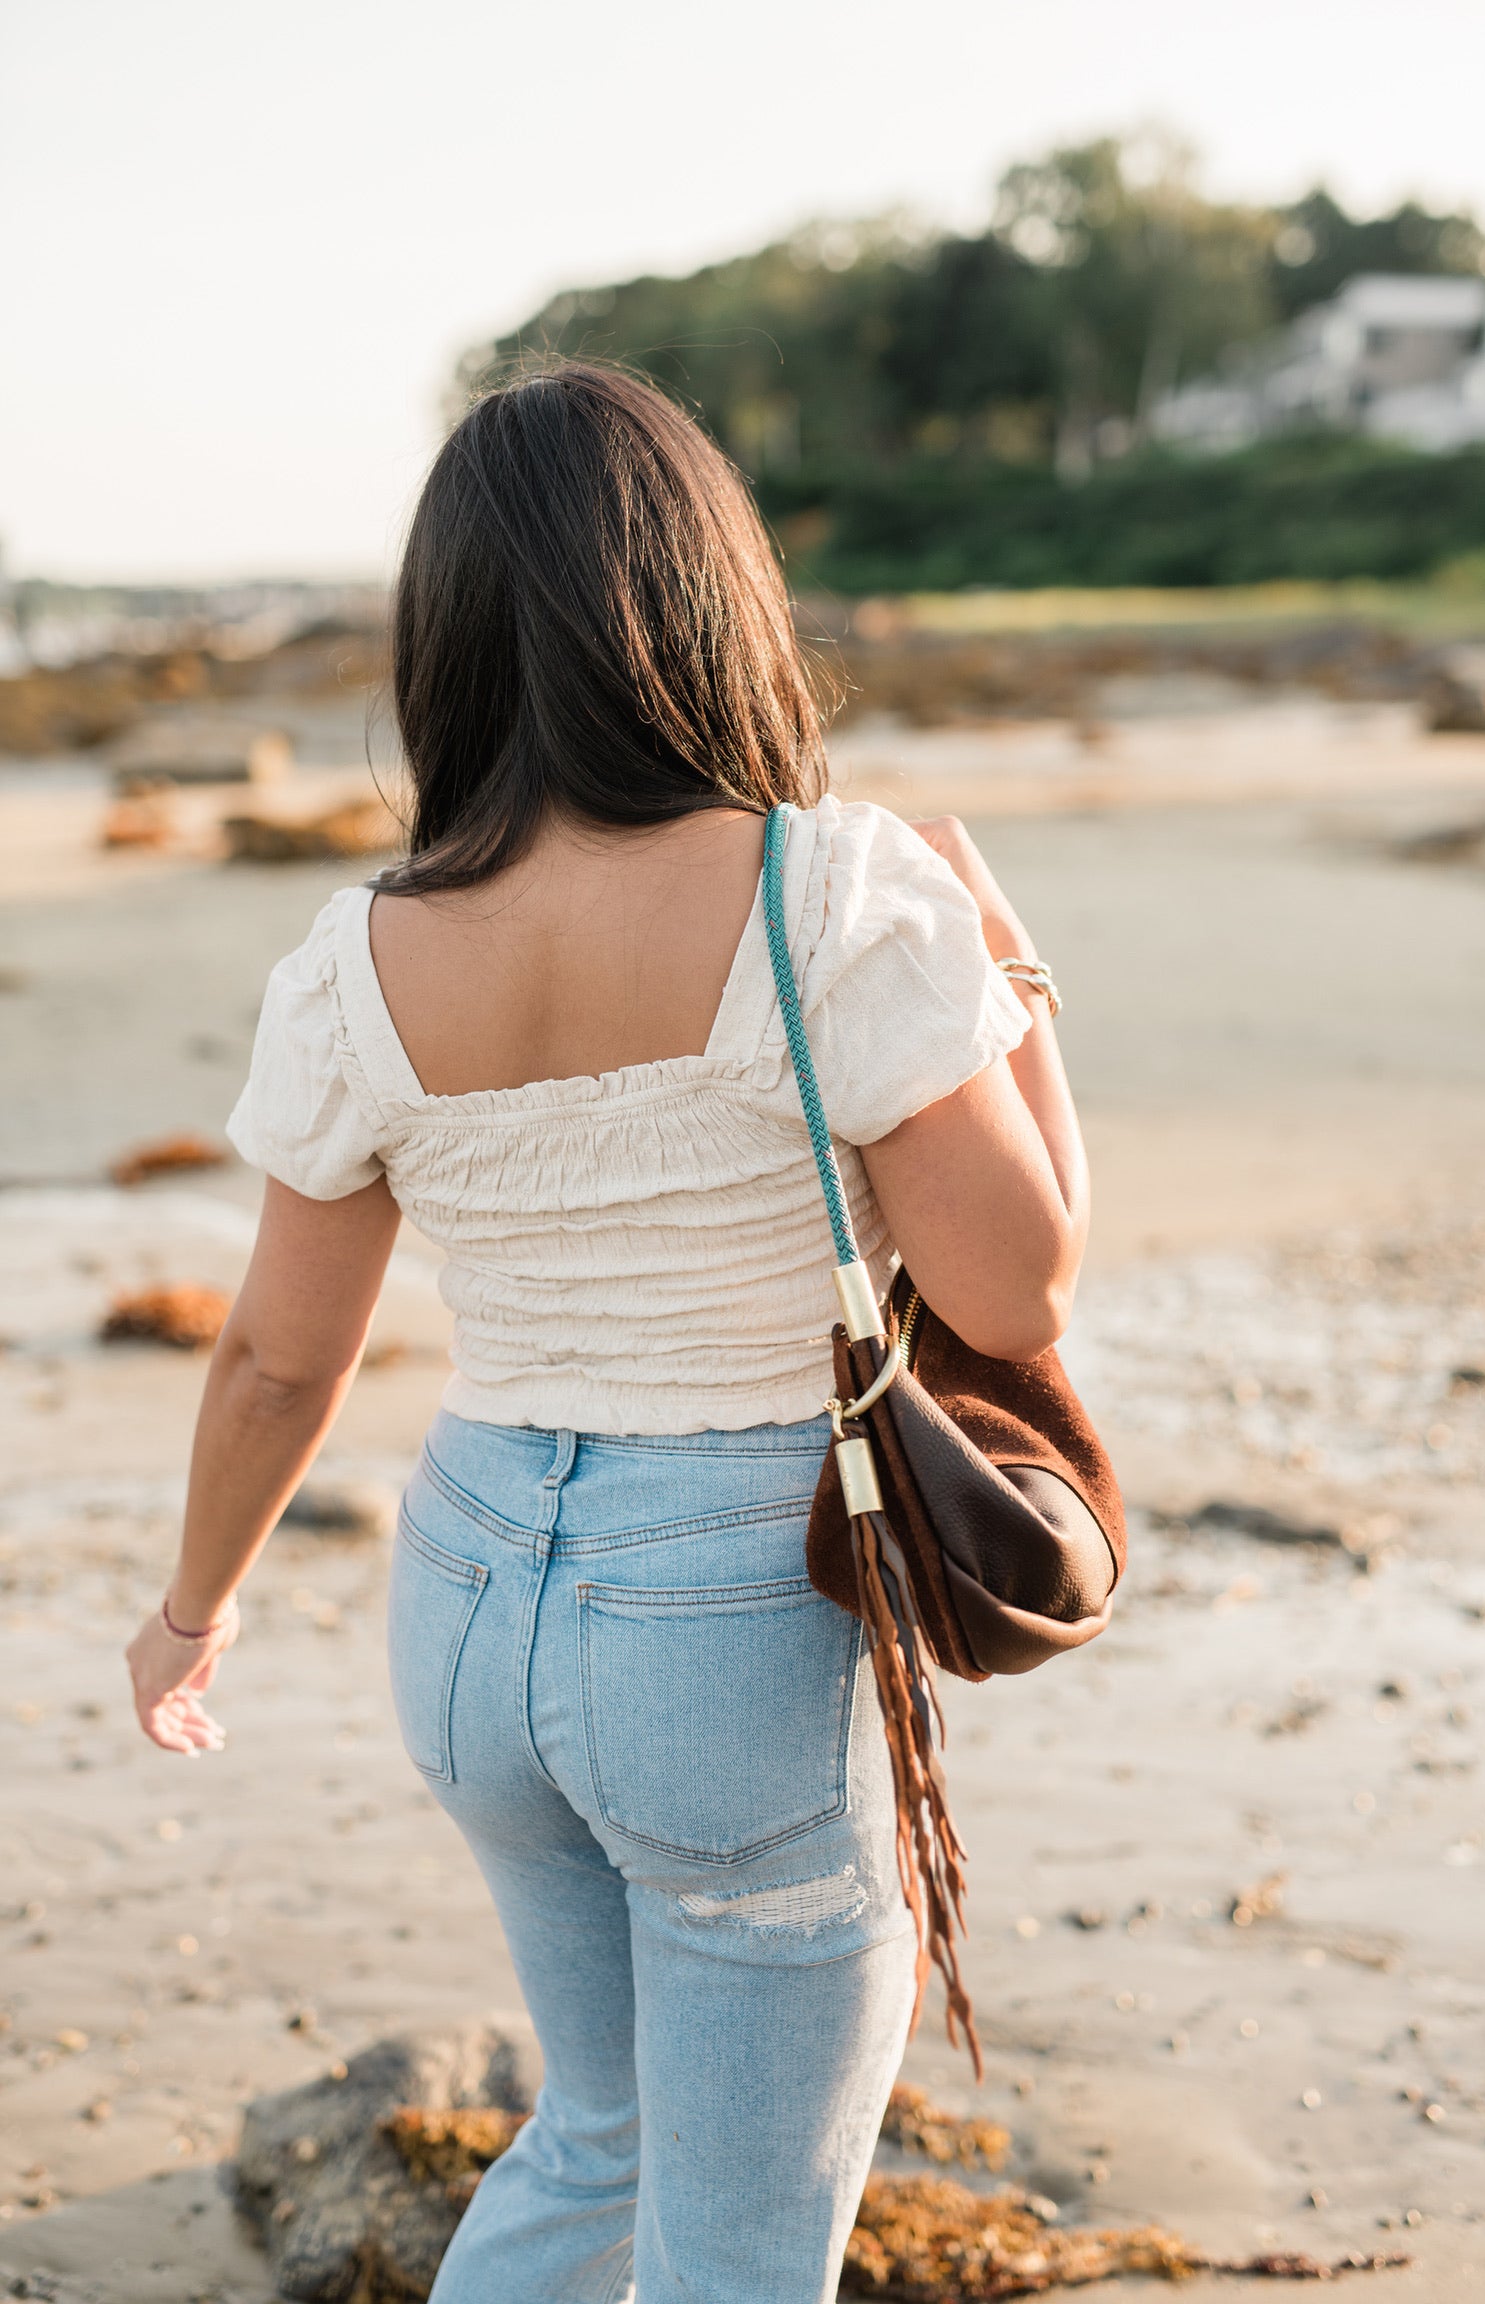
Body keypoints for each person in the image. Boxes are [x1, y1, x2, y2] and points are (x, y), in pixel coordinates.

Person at [125, 362, 1089, 2304]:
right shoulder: (844, 899)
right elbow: (1024, 1288)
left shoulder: (355, 959)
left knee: (599, 2139)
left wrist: (192, 1607)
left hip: (474, 1597)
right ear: (709, 593)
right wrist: (1013, 980)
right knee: (741, 2249)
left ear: (452, 639)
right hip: (725, 1617)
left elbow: (279, 1362)